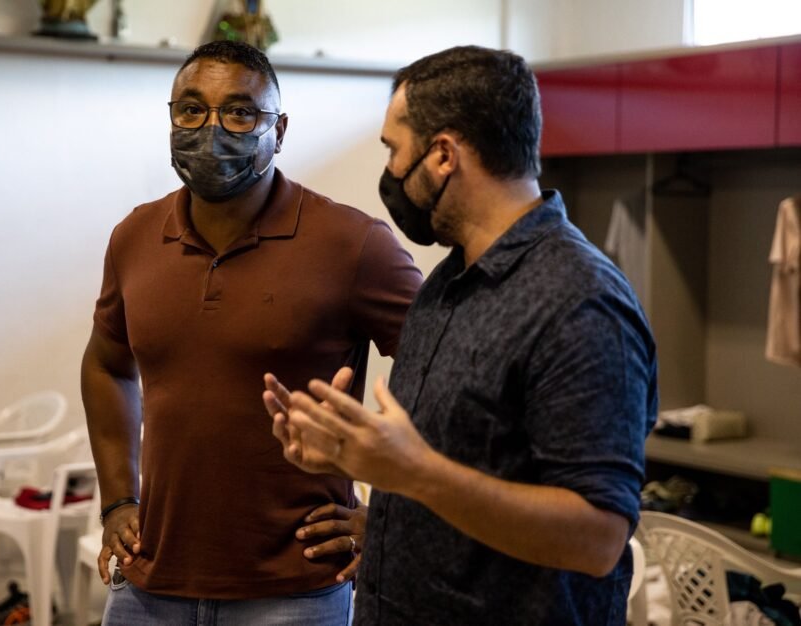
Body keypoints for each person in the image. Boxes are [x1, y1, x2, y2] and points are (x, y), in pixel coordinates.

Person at [264, 45, 658, 625]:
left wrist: (411, 474)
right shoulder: (445, 285)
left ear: (443, 155)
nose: (390, 174)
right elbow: (464, 474)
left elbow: (596, 539)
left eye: (395, 151)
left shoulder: (580, 301)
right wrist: (392, 512)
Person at [81, 40, 422, 625]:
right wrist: (118, 499)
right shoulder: (134, 238)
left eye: (240, 112)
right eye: (190, 109)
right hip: (150, 582)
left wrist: (389, 514)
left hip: (294, 591)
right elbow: (107, 364)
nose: (212, 128)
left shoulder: (353, 244)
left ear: (280, 130)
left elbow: (444, 371)